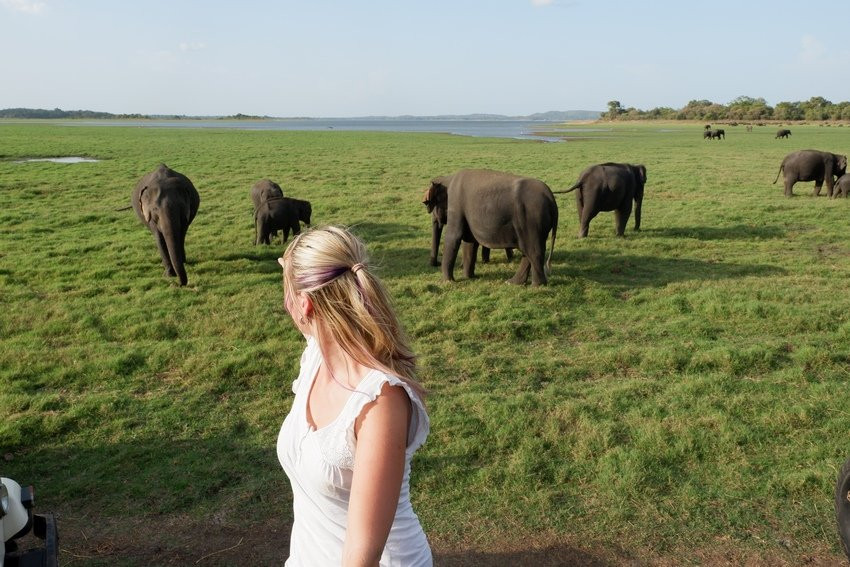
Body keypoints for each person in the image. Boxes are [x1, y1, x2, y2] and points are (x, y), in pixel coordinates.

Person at [276, 225, 433, 567]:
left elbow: (362, 555)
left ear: (303, 304)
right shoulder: (317, 358)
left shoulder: (380, 400)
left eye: (287, 294)